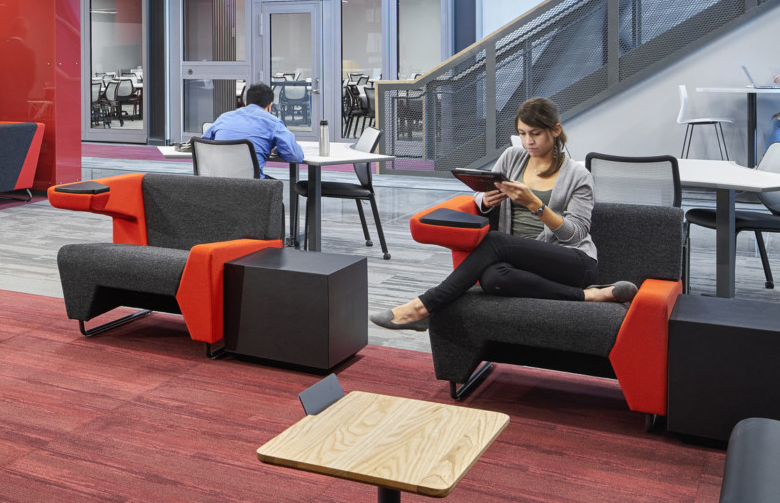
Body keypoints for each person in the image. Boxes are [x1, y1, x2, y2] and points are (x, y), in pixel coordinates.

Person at [370, 98, 636, 332]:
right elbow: (482, 195)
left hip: (574, 262)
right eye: (522, 133)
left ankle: (422, 307)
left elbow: (576, 233)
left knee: (496, 241)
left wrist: (536, 205)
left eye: (536, 133)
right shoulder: (512, 158)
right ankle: (588, 297)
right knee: (493, 279)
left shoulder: (579, 176)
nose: (528, 141)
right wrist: (485, 199)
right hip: (521, 260)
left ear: (555, 131)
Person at [201, 83, 304, 178]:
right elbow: (296, 156)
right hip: (251, 187)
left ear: (246, 103)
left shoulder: (223, 118)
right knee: (276, 185)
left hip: (217, 183)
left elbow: (203, 145)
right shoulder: (274, 123)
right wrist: (277, 149)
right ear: (270, 106)